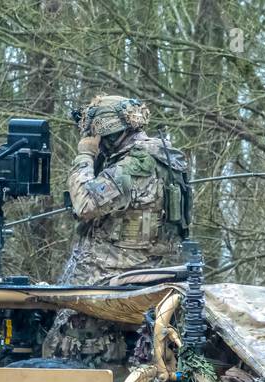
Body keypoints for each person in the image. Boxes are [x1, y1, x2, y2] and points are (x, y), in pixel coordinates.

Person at [43, 95, 190, 367]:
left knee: (65, 346)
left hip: (108, 274)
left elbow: (85, 203)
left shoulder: (135, 164)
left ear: (106, 132)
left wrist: (85, 155)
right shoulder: (163, 158)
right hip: (141, 270)